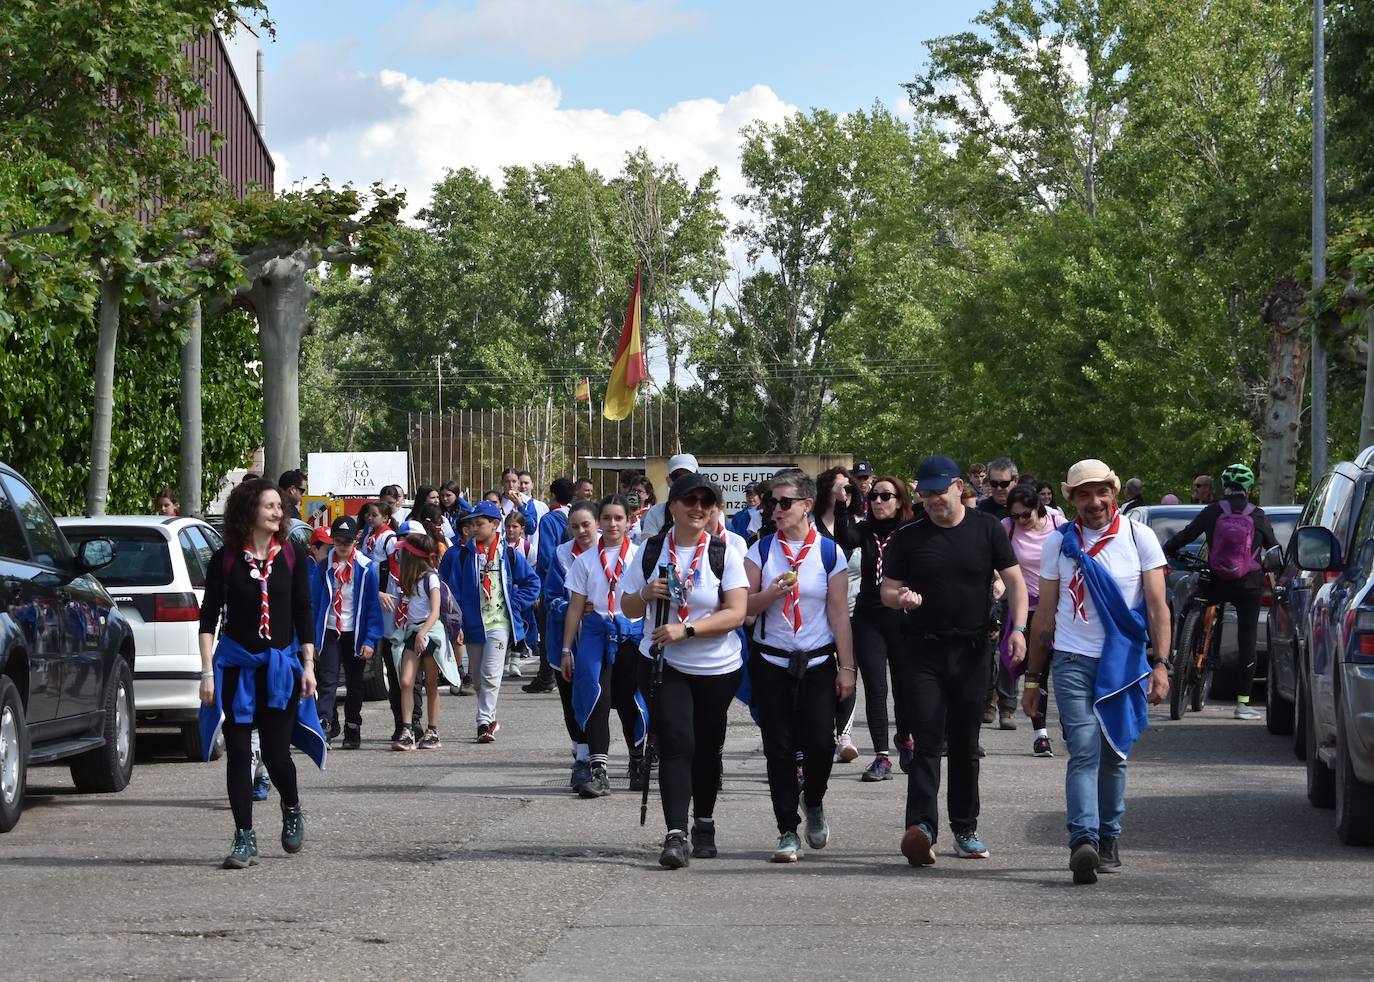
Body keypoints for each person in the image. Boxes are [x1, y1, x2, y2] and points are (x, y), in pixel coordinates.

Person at [1021, 459, 1171, 884]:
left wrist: (1161, 664)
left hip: (1123, 664)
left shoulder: (1139, 538)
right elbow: (1045, 615)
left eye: (1101, 492)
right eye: (1084, 494)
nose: (1094, 502)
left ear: (1114, 493)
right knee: (1085, 749)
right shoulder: (1058, 543)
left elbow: (1158, 608)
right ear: (1071, 499)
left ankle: (1108, 837)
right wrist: (1033, 679)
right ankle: (1082, 841)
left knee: (1114, 753)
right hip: (1072, 660)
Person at [880, 455, 1027, 866]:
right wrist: (900, 598)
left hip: (972, 650)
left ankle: (965, 828)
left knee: (965, 743)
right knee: (927, 740)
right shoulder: (909, 536)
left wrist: (1018, 630)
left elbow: (1015, 582)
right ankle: (921, 829)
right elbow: (887, 590)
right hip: (922, 651)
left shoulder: (987, 529)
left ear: (959, 487)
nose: (932, 500)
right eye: (925, 493)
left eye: (939, 492)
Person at [621, 473, 748, 870]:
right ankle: (675, 834)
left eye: (706, 502)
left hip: (717, 667)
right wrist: (646, 593)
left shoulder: (725, 551)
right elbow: (627, 606)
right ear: (672, 506)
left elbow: (736, 613)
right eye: (690, 500)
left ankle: (704, 822)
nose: (698, 508)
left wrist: (687, 629)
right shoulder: (650, 550)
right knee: (677, 743)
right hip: (664, 662)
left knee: (707, 747)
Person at [197, 478, 322, 870]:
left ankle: (292, 805)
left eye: (279, 506)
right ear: (249, 509)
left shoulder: (292, 556)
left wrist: (308, 666)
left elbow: (303, 611)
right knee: (237, 752)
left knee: (275, 753)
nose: (277, 512)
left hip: (279, 669)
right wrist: (207, 672)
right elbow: (208, 618)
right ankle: (244, 837)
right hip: (236, 666)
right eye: (270, 505)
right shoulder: (225, 559)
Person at [745, 469, 857, 862]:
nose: (775, 509)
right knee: (778, 748)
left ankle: (814, 800)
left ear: (807, 505)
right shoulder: (760, 551)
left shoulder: (829, 552)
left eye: (784, 502)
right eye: (771, 502)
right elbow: (743, 610)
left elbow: (839, 614)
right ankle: (786, 830)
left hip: (817, 661)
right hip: (771, 661)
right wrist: (770, 593)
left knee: (820, 744)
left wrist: (847, 668)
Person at [1162, 463, 1277, 720]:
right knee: (1247, 640)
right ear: (1248, 488)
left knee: (1189, 607)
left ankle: (1179, 654)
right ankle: (1243, 704)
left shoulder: (1214, 510)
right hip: (1248, 584)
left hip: (1216, 580)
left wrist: (1168, 549)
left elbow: (1186, 535)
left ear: (1225, 486)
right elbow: (1273, 549)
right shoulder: (1257, 515)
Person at [561, 495, 646, 798]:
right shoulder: (585, 561)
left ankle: (638, 761)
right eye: (607, 518)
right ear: (599, 522)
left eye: (618, 518)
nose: (612, 524)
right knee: (597, 697)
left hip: (632, 633)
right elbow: (575, 607)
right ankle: (599, 771)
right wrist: (566, 649)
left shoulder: (639, 556)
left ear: (628, 521)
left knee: (629, 699)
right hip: (597, 632)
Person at [441, 501, 540, 742]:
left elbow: (532, 582)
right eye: (472, 524)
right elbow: (452, 591)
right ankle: (490, 717)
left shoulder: (508, 554)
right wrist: (456, 623)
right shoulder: (464, 555)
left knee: (490, 674)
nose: (474, 528)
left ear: (495, 525)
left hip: (499, 623)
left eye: (480, 523)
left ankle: (483, 723)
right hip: (473, 624)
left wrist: (514, 603)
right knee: (477, 679)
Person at [852, 476, 915, 781]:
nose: (878, 501)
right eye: (873, 496)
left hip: (903, 618)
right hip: (869, 618)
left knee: (905, 689)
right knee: (876, 689)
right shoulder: (863, 530)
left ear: (900, 501)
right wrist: (843, 500)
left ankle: (905, 738)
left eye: (885, 496)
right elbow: (838, 534)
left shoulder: (911, 531)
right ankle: (881, 757)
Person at [1001, 485, 1068, 757]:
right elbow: (997, 561)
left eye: (1025, 515)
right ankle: (1041, 736)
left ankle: (1069, 724)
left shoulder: (1058, 523)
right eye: (1015, 515)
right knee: (1036, 671)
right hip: (1027, 609)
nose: (1020, 520)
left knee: (1064, 669)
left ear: (1037, 507)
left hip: (1060, 608)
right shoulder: (1007, 528)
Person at [310, 516, 384, 749]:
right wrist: (313, 640)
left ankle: (353, 725)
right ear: (332, 540)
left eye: (348, 542)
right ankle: (325, 724)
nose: (343, 546)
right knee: (327, 680)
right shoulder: (323, 567)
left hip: (355, 632)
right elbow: (314, 604)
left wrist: (370, 639)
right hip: (330, 630)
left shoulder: (366, 567)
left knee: (355, 683)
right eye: (339, 541)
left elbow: (372, 606)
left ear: (355, 542)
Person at [546, 500, 600, 785]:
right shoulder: (561, 554)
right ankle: (582, 755)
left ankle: (634, 755)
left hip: (604, 639)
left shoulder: (613, 550)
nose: (581, 531)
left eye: (586, 524)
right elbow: (551, 596)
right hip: (566, 640)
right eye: (575, 526)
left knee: (603, 698)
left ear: (597, 524)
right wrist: (574, 607)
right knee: (571, 701)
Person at [385, 530, 455, 750]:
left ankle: (432, 730)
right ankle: (407, 730)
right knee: (406, 681)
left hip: (430, 633)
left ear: (412, 556)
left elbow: (435, 611)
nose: (400, 557)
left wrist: (423, 634)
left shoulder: (431, 578)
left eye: (403, 553)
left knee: (431, 683)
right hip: (412, 633)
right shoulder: (411, 579)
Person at [813, 466, 862, 763]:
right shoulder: (809, 525)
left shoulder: (859, 524)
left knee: (848, 669)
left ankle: (844, 736)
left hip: (853, 610)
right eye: (840, 486)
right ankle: (821, 733)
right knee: (822, 675)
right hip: (816, 614)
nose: (846, 492)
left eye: (849, 487)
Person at [525, 477, 577, 694]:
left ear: (553, 495)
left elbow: (546, 556)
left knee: (549, 629)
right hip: (577, 583)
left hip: (555, 583)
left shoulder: (549, 519)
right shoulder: (575, 516)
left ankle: (546, 675)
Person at [638, 453, 699, 539]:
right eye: (677, 477)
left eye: (689, 477)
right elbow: (647, 544)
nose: (683, 482)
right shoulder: (655, 513)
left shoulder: (709, 512)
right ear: (668, 481)